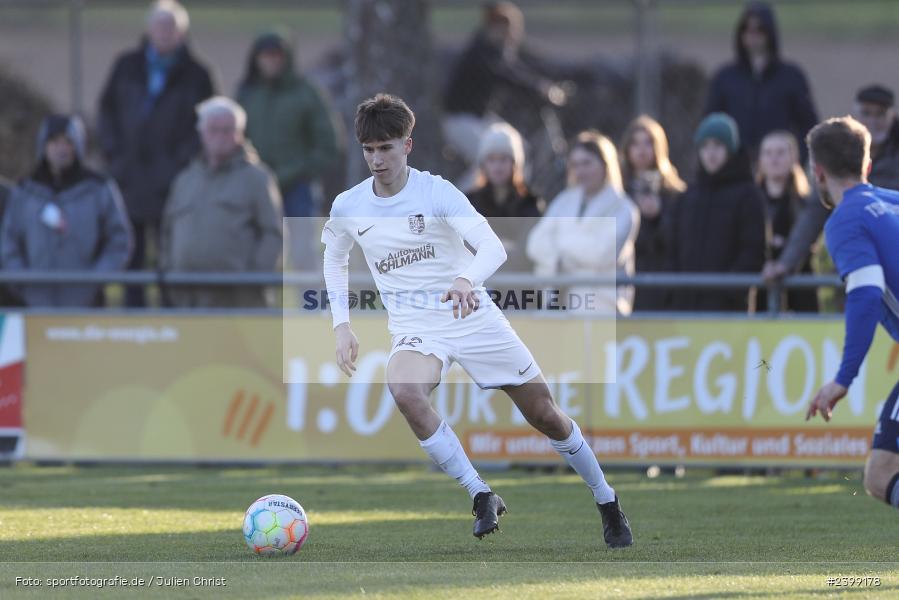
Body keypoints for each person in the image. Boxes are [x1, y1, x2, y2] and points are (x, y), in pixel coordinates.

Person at [321, 94, 632, 547]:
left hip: (472, 316)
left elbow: (493, 247)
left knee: (545, 414)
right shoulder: (349, 206)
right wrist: (341, 325)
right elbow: (335, 258)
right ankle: (481, 493)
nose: (376, 159)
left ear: (407, 145)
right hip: (417, 327)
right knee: (405, 390)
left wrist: (466, 279)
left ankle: (607, 500)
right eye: (369, 149)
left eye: (386, 148)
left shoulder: (438, 192)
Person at [805, 115, 899, 513]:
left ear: (817, 171)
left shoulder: (845, 219)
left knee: (880, 476)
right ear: (867, 164)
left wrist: (843, 378)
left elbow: (865, 290)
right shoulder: (894, 202)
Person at [98, 0, 215, 306]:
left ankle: (169, 320)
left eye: (171, 27)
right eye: (160, 25)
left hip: (173, 182)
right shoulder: (126, 66)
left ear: (182, 32)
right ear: (149, 29)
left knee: (170, 257)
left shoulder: (197, 74)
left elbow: (206, 125)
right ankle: (133, 320)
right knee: (130, 254)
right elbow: (106, 112)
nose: (165, 32)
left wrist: (179, 164)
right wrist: (116, 156)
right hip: (129, 178)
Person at [764, 84, 899, 286]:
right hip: (859, 263)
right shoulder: (840, 153)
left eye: (880, 114)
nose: (873, 120)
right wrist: (786, 262)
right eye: (866, 113)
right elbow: (814, 213)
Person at [160, 97, 282, 308]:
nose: (220, 137)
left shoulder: (257, 178)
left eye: (228, 130)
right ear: (201, 133)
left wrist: (253, 280)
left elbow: (274, 234)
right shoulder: (185, 180)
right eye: (213, 129)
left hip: (238, 303)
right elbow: (167, 233)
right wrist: (169, 272)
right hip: (187, 300)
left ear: (240, 134)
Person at [1, 115, 132, 307]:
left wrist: (95, 279)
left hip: (85, 308)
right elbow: (8, 242)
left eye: (68, 142)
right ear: (43, 146)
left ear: (78, 146)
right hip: (35, 307)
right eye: (54, 142)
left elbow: (120, 240)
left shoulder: (98, 189)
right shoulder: (25, 192)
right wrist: (23, 282)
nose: (61, 149)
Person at [237, 30, 340, 272]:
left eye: (277, 55)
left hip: (298, 187)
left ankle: (310, 306)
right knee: (256, 252)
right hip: (256, 185)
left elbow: (329, 144)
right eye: (265, 55)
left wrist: (302, 171)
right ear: (256, 59)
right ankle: (261, 306)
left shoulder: (307, 93)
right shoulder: (247, 94)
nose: (271, 61)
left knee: (304, 253)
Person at [442, 1, 564, 186]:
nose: (515, 35)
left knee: (518, 149)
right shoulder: (482, 52)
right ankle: (456, 207)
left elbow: (518, 69)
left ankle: (513, 202)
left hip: (479, 118)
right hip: (460, 121)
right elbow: (508, 75)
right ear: (497, 28)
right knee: (489, 161)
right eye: (511, 30)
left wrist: (543, 85)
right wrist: (541, 90)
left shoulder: (494, 49)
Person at [526, 130, 640, 316]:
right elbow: (535, 243)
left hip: (603, 308)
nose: (581, 171)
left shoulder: (624, 208)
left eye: (587, 163)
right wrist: (579, 250)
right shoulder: (565, 200)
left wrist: (559, 251)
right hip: (556, 304)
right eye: (575, 165)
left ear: (605, 164)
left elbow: (602, 254)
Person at [668, 113, 766, 312]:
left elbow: (753, 251)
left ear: (731, 149)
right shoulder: (688, 197)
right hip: (685, 306)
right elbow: (673, 248)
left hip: (727, 310)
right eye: (705, 146)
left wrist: (728, 291)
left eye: (718, 146)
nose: (711, 153)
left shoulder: (748, 196)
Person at [704, 1, 818, 163]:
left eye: (759, 30)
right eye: (747, 30)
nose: (753, 36)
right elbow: (711, 124)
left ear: (770, 33)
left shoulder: (791, 76)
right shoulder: (725, 78)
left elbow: (808, 124)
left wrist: (796, 158)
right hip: (736, 166)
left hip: (778, 163)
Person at [620, 115, 685, 311]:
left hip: (665, 289)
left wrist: (658, 217)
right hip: (629, 286)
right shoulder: (618, 192)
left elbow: (678, 242)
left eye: (648, 143)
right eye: (635, 143)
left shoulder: (675, 194)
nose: (642, 150)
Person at [466, 122, 544, 273]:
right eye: (492, 160)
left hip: (519, 287)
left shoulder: (531, 203)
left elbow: (527, 253)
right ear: (483, 165)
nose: (497, 167)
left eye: (503, 159)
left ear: (515, 164)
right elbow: (466, 248)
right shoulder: (469, 202)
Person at [756, 131, 818, 312]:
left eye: (780, 152)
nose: (774, 159)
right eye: (768, 153)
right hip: (760, 286)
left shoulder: (806, 204)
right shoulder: (749, 204)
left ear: (793, 158)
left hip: (800, 286)